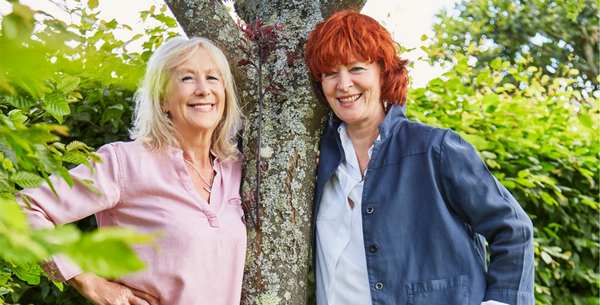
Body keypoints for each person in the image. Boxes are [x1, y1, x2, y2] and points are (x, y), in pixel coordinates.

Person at [305, 11, 534, 305]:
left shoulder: (435, 149)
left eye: (357, 68)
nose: (344, 84)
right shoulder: (317, 162)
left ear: (383, 71)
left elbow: (512, 229)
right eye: (330, 73)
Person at [19, 36, 246, 305]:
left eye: (212, 77)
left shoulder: (237, 169)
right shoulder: (125, 162)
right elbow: (22, 210)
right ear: (163, 98)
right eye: (186, 78)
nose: (203, 89)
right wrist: (90, 283)